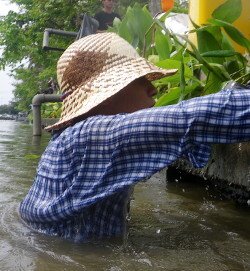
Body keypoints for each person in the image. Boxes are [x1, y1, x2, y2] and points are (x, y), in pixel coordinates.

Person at [19, 33, 250, 242]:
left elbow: (192, 145)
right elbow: (192, 119)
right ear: (105, 94)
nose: (153, 89)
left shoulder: (73, 140)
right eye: (139, 79)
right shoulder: (91, 136)